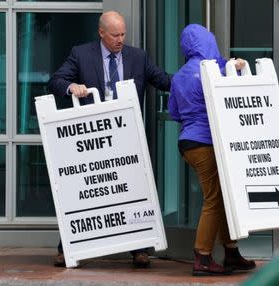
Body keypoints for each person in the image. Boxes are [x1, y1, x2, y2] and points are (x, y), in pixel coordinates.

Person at [48, 11, 171, 268]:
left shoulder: (138, 57)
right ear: (101, 32)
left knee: (132, 189)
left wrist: (199, 76)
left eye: (123, 34)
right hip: (92, 141)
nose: (120, 39)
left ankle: (139, 249)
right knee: (86, 190)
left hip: (127, 140)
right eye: (115, 35)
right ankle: (67, 247)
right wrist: (72, 87)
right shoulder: (81, 54)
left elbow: (164, 80)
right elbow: (56, 80)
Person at [168, 24, 256, 276]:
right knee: (215, 198)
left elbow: (175, 112)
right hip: (206, 143)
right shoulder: (214, 70)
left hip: (188, 143)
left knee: (223, 196)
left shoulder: (180, 75)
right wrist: (236, 69)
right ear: (209, 42)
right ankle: (203, 257)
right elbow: (233, 99)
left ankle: (231, 252)